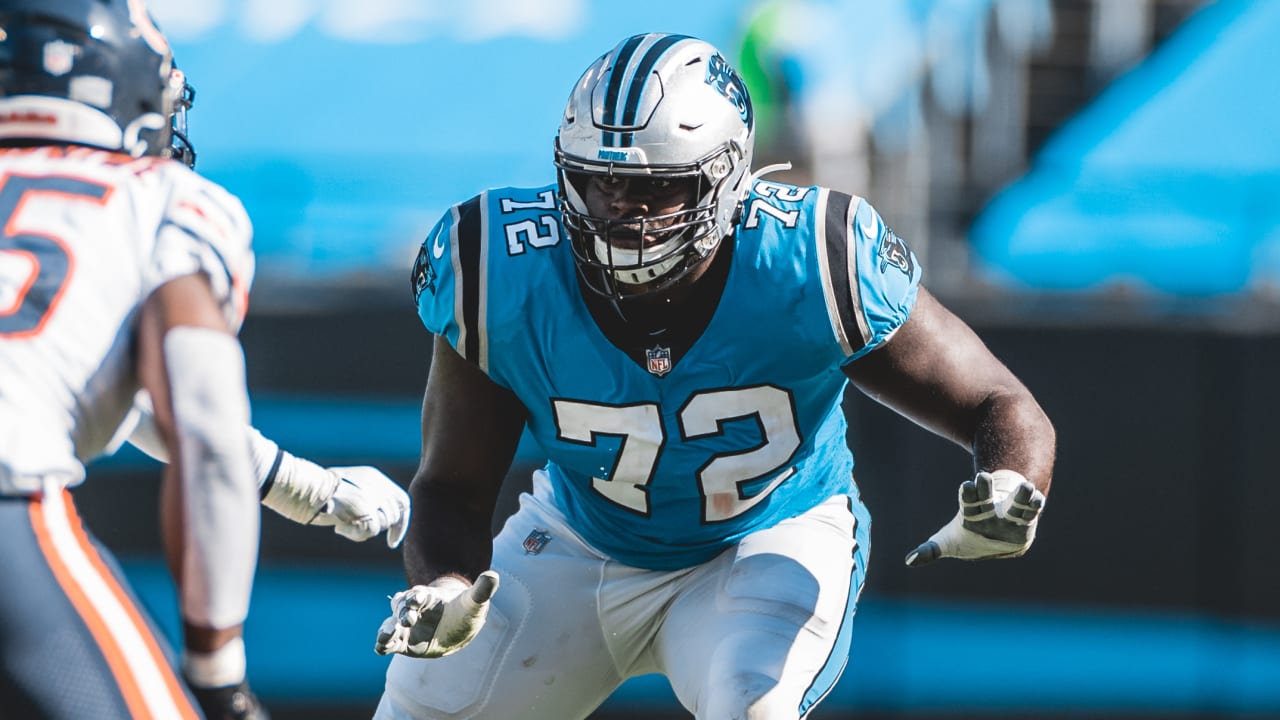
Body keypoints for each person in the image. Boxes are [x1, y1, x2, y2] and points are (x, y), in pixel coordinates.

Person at [373, 32, 1055, 719]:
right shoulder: (498, 269)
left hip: (765, 535)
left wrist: (1010, 483)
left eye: (657, 189)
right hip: (582, 537)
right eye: (600, 182)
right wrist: (445, 584)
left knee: (751, 709)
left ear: (727, 177)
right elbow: (451, 486)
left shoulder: (811, 261)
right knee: (427, 699)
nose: (621, 216)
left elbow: (997, 401)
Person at [0, 2, 408, 718]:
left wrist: (300, 487)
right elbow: (202, 430)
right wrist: (217, 672)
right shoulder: (163, 202)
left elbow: (60, 380)